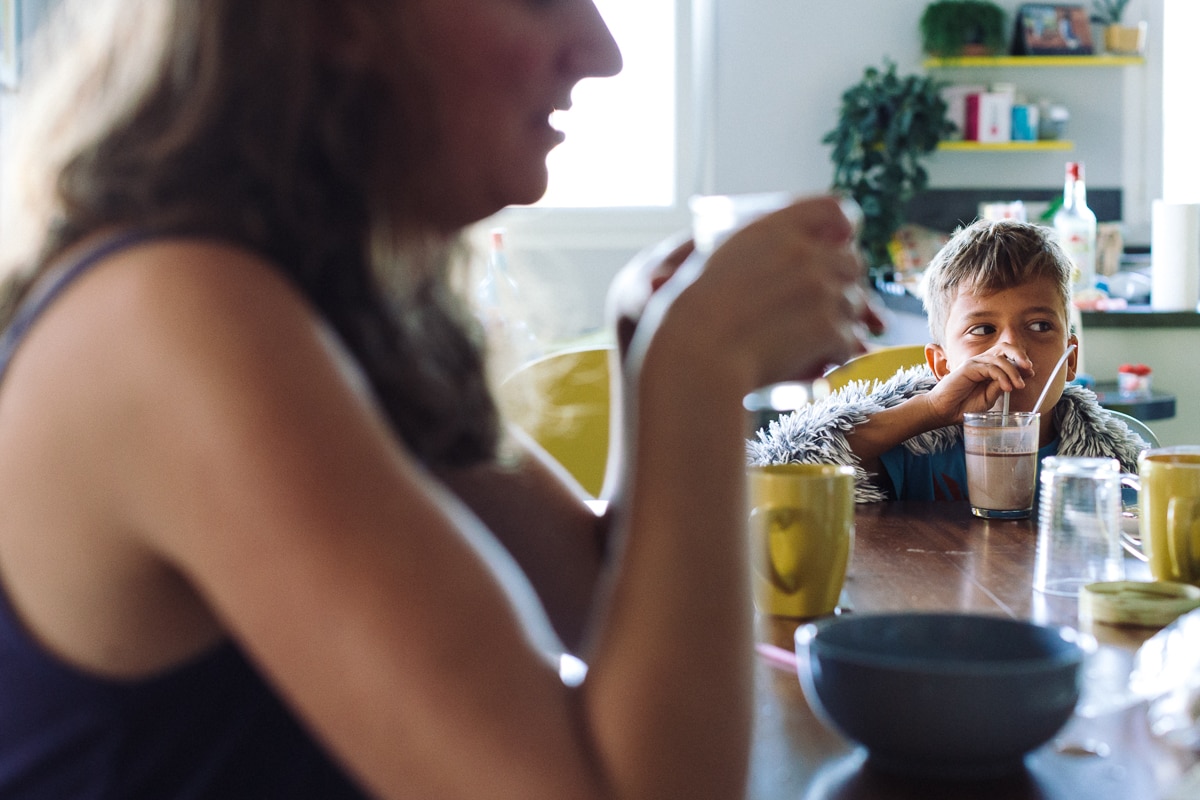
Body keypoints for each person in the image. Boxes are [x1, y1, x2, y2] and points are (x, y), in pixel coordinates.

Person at [0, 1, 882, 798]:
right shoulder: (179, 316)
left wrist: (653, 345)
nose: (605, 52)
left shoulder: (338, 305)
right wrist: (698, 368)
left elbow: (591, 609)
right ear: (337, 20)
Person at [748, 218, 1147, 503]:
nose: (1012, 350)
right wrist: (932, 408)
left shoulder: (1105, 462)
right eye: (982, 330)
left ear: (1070, 360)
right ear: (940, 365)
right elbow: (784, 470)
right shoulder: (914, 446)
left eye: (1040, 326)